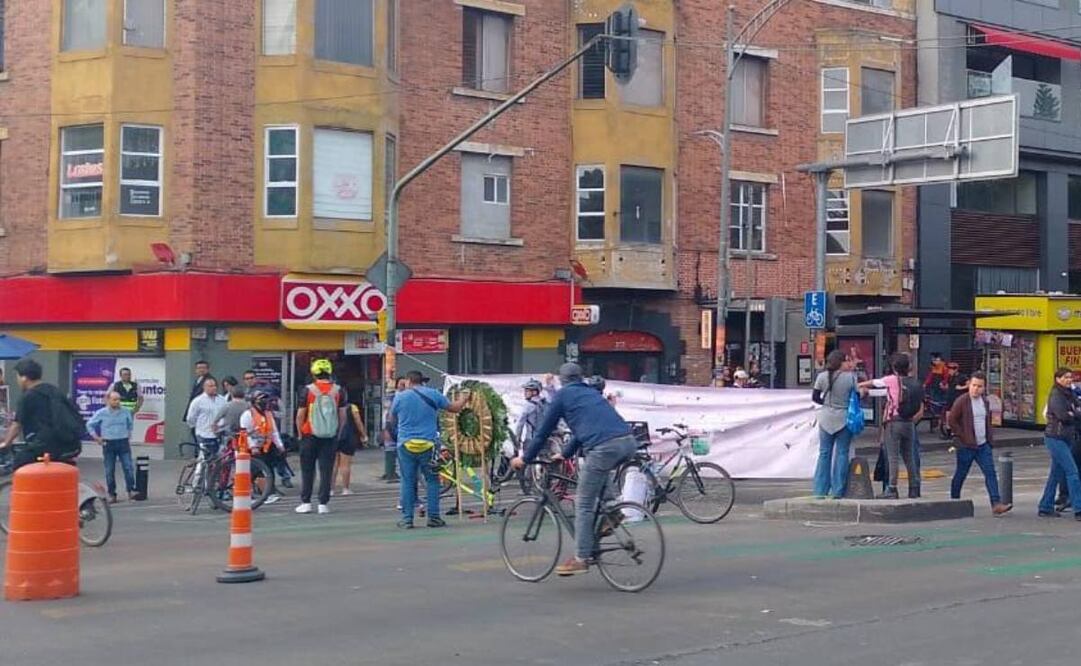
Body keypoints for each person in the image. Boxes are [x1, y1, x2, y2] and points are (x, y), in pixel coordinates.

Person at [512, 363, 637, 577]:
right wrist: (565, 454)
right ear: (580, 377)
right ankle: (612, 510)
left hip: (604, 447)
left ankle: (581, 558)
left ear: (562, 380)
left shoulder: (562, 396)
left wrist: (525, 458)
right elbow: (582, 431)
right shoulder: (590, 393)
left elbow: (542, 433)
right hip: (628, 442)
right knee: (597, 469)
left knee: (584, 502)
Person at [390, 371, 470, 529]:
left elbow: (392, 417)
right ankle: (433, 517)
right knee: (432, 481)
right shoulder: (433, 394)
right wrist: (464, 398)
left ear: (408, 381)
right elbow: (454, 408)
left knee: (407, 481)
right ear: (421, 381)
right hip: (429, 444)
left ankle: (407, 519)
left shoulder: (400, 397)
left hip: (406, 444)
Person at [946, 372, 1012, 516]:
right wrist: (961, 436)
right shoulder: (962, 401)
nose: (976, 389)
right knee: (961, 474)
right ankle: (954, 500)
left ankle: (996, 504)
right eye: (974, 385)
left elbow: (987, 422)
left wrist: (989, 440)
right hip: (966, 446)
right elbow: (952, 420)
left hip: (983, 445)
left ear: (984, 388)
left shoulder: (985, 402)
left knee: (990, 473)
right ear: (969, 384)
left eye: (979, 386)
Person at [860, 353, 923, 500]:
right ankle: (914, 488)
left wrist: (858, 385)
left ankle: (892, 489)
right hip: (909, 422)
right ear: (909, 367)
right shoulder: (913, 381)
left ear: (894, 368)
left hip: (894, 422)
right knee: (909, 457)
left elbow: (873, 383)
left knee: (893, 457)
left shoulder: (891, 380)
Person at [1, 359, 83, 471]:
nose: (17, 380)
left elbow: (17, 425)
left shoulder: (28, 396)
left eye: (17, 376)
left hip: (46, 445)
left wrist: (5, 443)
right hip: (70, 443)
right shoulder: (54, 390)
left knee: (19, 464)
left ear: (24, 378)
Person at [294, 359, 347, 515]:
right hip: (330, 436)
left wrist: (299, 433)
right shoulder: (338, 391)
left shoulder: (308, 390)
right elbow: (343, 415)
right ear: (329, 372)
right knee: (326, 469)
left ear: (314, 373)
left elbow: (300, 415)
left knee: (307, 469)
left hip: (309, 434)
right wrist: (338, 431)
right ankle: (323, 504)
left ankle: (306, 502)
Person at [812, 350, 859, 499]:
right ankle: (838, 490)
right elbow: (857, 394)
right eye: (846, 361)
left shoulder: (821, 377)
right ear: (840, 363)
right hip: (844, 417)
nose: (847, 363)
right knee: (842, 453)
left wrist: (826, 404)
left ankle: (820, 490)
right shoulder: (850, 377)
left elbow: (815, 397)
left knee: (824, 453)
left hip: (825, 417)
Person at [1038, 367, 1081, 520]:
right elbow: (1063, 416)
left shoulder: (1069, 394)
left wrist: (1074, 412)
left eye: (1070, 377)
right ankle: (1079, 509)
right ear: (1058, 379)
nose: (1069, 380)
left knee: (1055, 474)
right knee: (1072, 472)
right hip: (1055, 437)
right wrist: (1074, 413)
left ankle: (1045, 506)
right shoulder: (1056, 395)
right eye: (1065, 377)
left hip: (1066, 437)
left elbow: (1075, 411)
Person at [86, 391, 136, 503]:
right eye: (114, 399)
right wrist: (96, 437)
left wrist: (128, 433)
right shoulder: (102, 413)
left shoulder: (125, 412)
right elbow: (89, 424)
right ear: (108, 400)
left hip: (122, 442)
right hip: (109, 443)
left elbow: (130, 424)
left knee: (128, 467)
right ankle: (112, 494)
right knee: (109, 470)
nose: (117, 402)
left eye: (118, 399)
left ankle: (131, 490)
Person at [242, 389, 288, 505]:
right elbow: (245, 433)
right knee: (256, 472)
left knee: (267, 470)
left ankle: (268, 493)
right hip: (251, 449)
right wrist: (253, 446)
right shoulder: (248, 414)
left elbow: (273, 431)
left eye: (265, 399)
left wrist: (280, 445)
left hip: (266, 447)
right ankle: (262, 494)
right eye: (261, 399)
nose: (264, 401)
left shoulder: (268, 414)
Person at [185, 376, 225, 462]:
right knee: (203, 458)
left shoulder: (222, 399)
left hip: (218, 434)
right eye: (210, 386)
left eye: (215, 385)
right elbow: (190, 418)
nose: (213, 388)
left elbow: (225, 415)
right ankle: (199, 475)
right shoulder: (198, 401)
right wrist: (198, 427)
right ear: (204, 387)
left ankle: (214, 475)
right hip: (203, 434)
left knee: (218, 458)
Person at [334, 398, 369, 496]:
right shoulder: (352, 407)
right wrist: (364, 435)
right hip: (347, 437)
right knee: (345, 465)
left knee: (333, 464)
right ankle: (345, 489)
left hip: (333, 437)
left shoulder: (332, 405)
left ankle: (330, 489)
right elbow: (358, 422)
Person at [380, 377, 407, 483]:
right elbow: (386, 413)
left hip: (403, 426)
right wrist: (385, 428)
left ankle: (399, 473)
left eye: (405, 384)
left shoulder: (408, 397)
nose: (404, 387)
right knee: (390, 449)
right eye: (401, 384)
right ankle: (390, 473)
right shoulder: (392, 397)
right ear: (397, 385)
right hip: (391, 426)